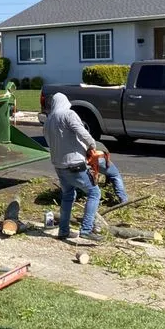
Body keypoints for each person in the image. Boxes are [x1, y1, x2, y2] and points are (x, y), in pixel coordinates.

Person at [43, 92, 102, 243]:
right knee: (94, 192)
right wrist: (92, 145)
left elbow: (49, 142)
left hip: (59, 165)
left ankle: (63, 230)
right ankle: (86, 230)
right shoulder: (68, 114)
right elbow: (81, 131)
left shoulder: (49, 120)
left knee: (68, 195)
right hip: (75, 164)